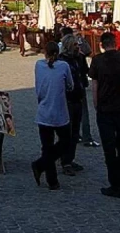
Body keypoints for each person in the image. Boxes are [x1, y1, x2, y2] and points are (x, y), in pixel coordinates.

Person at [89, 31, 120, 199]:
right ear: (115, 43)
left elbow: (94, 86)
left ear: (102, 45)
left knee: (109, 148)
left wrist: (96, 104)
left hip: (105, 109)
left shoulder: (97, 61)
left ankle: (115, 185)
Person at [30, 41, 74, 190]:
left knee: (47, 147)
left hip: (43, 111)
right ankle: (41, 166)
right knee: (66, 141)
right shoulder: (64, 66)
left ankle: (51, 180)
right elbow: (70, 85)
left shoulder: (38, 65)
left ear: (45, 52)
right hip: (60, 112)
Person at [58, 35, 88, 175]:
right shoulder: (62, 61)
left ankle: (70, 158)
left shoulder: (79, 58)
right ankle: (65, 161)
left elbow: (84, 72)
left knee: (75, 132)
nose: (78, 46)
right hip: (67, 100)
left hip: (78, 97)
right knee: (67, 132)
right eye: (75, 44)